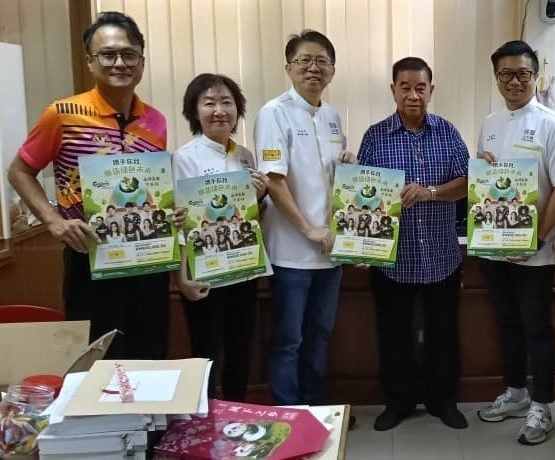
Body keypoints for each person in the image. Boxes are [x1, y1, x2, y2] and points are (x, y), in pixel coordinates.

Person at [7, 11, 190, 359]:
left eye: (129, 54)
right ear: (90, 61)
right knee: (96, 361)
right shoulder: (62, 114)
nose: (119, 63)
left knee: (150, 357)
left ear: (142, 61)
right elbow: (19, 171)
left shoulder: (156, 120)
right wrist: (54, 222)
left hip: (148, 259)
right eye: (108, 54)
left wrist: (170, 213)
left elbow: (150, 188)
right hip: (90, 258)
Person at [358, 57, 469, 431]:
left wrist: (430, 192)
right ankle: (398, 402)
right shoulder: (375, 137)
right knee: (394, 336)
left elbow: (467, 182)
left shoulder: (448, 133)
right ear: (393, 90)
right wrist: (361, 245)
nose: (412, 94)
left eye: (420, 87)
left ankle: (443, 400)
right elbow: (362, 193)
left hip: (441, 255)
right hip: (393, 259)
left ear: (431, 91)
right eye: (404, 87)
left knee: (444, 334)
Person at [474, 40, 555, 445]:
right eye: (506, 74)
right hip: (495, 245)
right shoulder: (490, 123)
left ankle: (542, 404)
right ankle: (516, 392)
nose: (514, 81)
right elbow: (484, 182)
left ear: (535, 76)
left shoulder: (553, 124)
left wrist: (538, 238)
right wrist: (481, 167)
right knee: (507, 323)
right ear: (496, 77)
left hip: (536, 252)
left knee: (537, 328)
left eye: (522, 74)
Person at [254, 30, 355, 405]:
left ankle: (317, 408)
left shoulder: (332, 116)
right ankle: (291, 413)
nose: (314, 68)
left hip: (332, 250)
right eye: (304, 61)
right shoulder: (273, 113)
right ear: (289, 68)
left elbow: (329, 179)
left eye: (322, 61)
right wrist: (308, 228)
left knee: (321, 334)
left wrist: (347, 164)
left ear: (332, 71)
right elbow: (274, 181)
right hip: (291, 252)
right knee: (289, 339)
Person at [172, 73, 269, 401]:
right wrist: (182, 277)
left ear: (237, 110)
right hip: (205, 272)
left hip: (243, 266)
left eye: (227, 102)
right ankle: (205, 417)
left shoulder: (245, 155)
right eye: (209, 103)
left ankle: (236, 413)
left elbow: (253, 216)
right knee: (207, 351)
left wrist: (260, 196)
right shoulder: (185, 157)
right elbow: (180, 223)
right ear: (194, 111)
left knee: (241, 347)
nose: (219, 111)